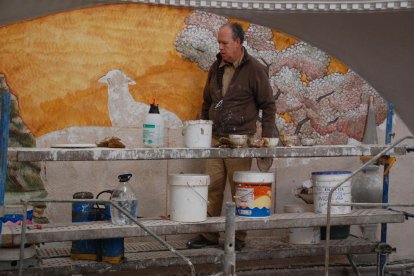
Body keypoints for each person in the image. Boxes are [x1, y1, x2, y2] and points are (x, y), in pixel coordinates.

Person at [186, 22, 277, 251]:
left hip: (241, 140)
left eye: (224, 43)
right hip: (216, 139)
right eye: (219, 42)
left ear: (238, 42)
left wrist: (265, 142)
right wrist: (203, 131)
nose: (221, 47)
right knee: (211, 187)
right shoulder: (215, 67)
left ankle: (238, 238)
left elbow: (268, 106)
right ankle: (208, 235)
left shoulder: (255, 69)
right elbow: (207, 102)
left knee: (241, 190)